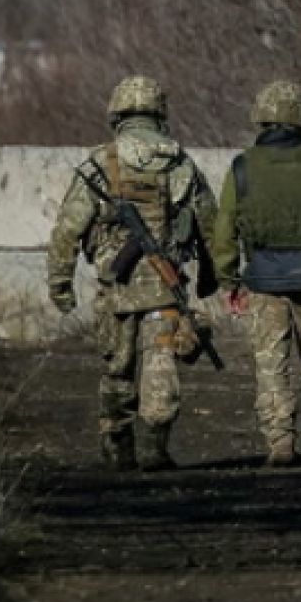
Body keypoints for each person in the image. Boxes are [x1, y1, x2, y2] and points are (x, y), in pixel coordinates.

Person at [47, 75, 217, 472]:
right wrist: (215, 277)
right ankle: (155, 450)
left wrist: (61, 284)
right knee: (162, 363)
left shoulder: (98, 163)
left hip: (115, 290)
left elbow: (68, 229)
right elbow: (211, 225)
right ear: (160, 113)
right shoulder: (179, 163)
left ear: (117, 113)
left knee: (117, 369)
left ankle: (117, 451)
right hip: (164, 287)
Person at [208, 81, 301, 469]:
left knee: (270, 363)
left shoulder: (242, 166)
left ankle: (281, 443)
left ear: (261, 117)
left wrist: (228, 280)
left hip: (262, 280)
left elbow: (225, 229)